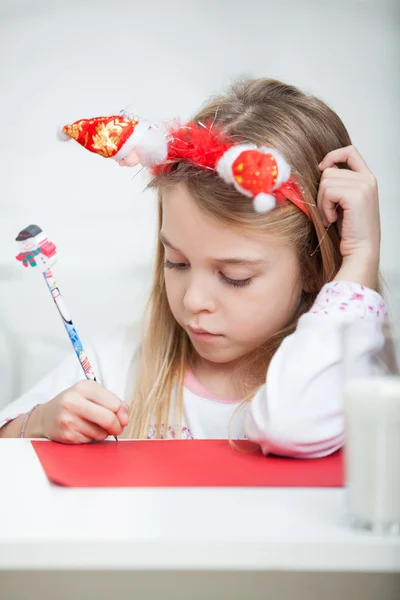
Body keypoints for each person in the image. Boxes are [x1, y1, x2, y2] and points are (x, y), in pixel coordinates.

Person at [0, 78, 386, 458]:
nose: (194, 300)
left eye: (236, 277)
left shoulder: (346, 374)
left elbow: (291, 425)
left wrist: (359, 259)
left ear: (314, 267)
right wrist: (39, 423)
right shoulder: (118, 362)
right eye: (176, 262)